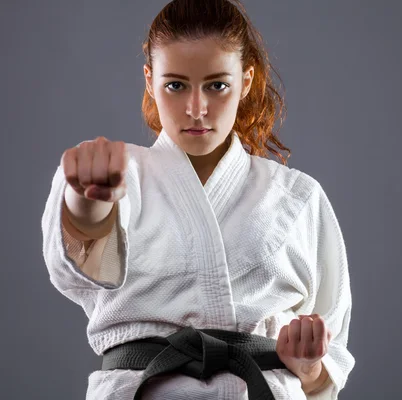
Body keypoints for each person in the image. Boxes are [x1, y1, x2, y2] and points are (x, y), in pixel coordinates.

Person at [41, 0, 354, 398]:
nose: (196, 108)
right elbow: (80, 270)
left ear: (246, 80)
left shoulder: (297, 196)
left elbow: (331, 358)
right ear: (150, 81)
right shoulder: (119, 172)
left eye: (217, 85)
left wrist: (309, 366)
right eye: (175, 85)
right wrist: (89, 207)